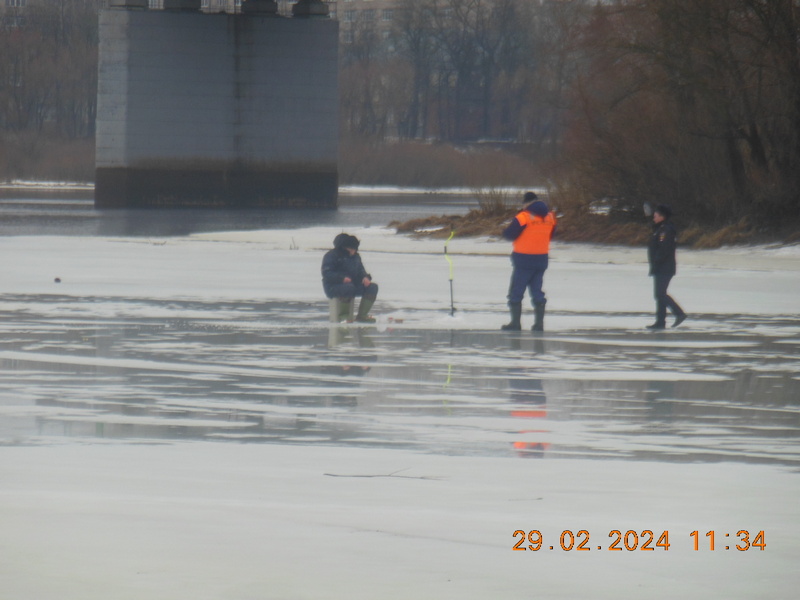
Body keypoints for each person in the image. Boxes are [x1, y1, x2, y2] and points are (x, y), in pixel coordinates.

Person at [501, 192, 557, 332]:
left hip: (523, 259)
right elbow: (551, 234)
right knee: (537, 291)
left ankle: (515, 324)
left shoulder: (523, 217)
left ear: (526, 203)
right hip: (541, 259)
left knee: (516, 291)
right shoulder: (550, 217)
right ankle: (539, 325)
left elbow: (509, 234)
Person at [321, 233, 378, 323]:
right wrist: (341, 278)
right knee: (348, 287)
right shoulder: (331, 255)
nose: (353, 251)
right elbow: (327, 273)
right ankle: (344, 316)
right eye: (351, 249)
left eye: (354, 249)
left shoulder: (356, 257)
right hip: (333, 286)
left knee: (372, 287)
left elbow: (361, 271)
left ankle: (362, 315)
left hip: (352, 285)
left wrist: (365, 278)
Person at [647, 204, 687, 329]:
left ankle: (679, 313)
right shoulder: (660, 228)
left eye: (655, 216)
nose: (653, 218)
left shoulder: (666, 230)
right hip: (660, 266)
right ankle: (660, 322)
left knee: (660, 295)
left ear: (662, 217)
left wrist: (657, 262)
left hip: (664, 267)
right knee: (660, 294)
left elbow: (664, 249)